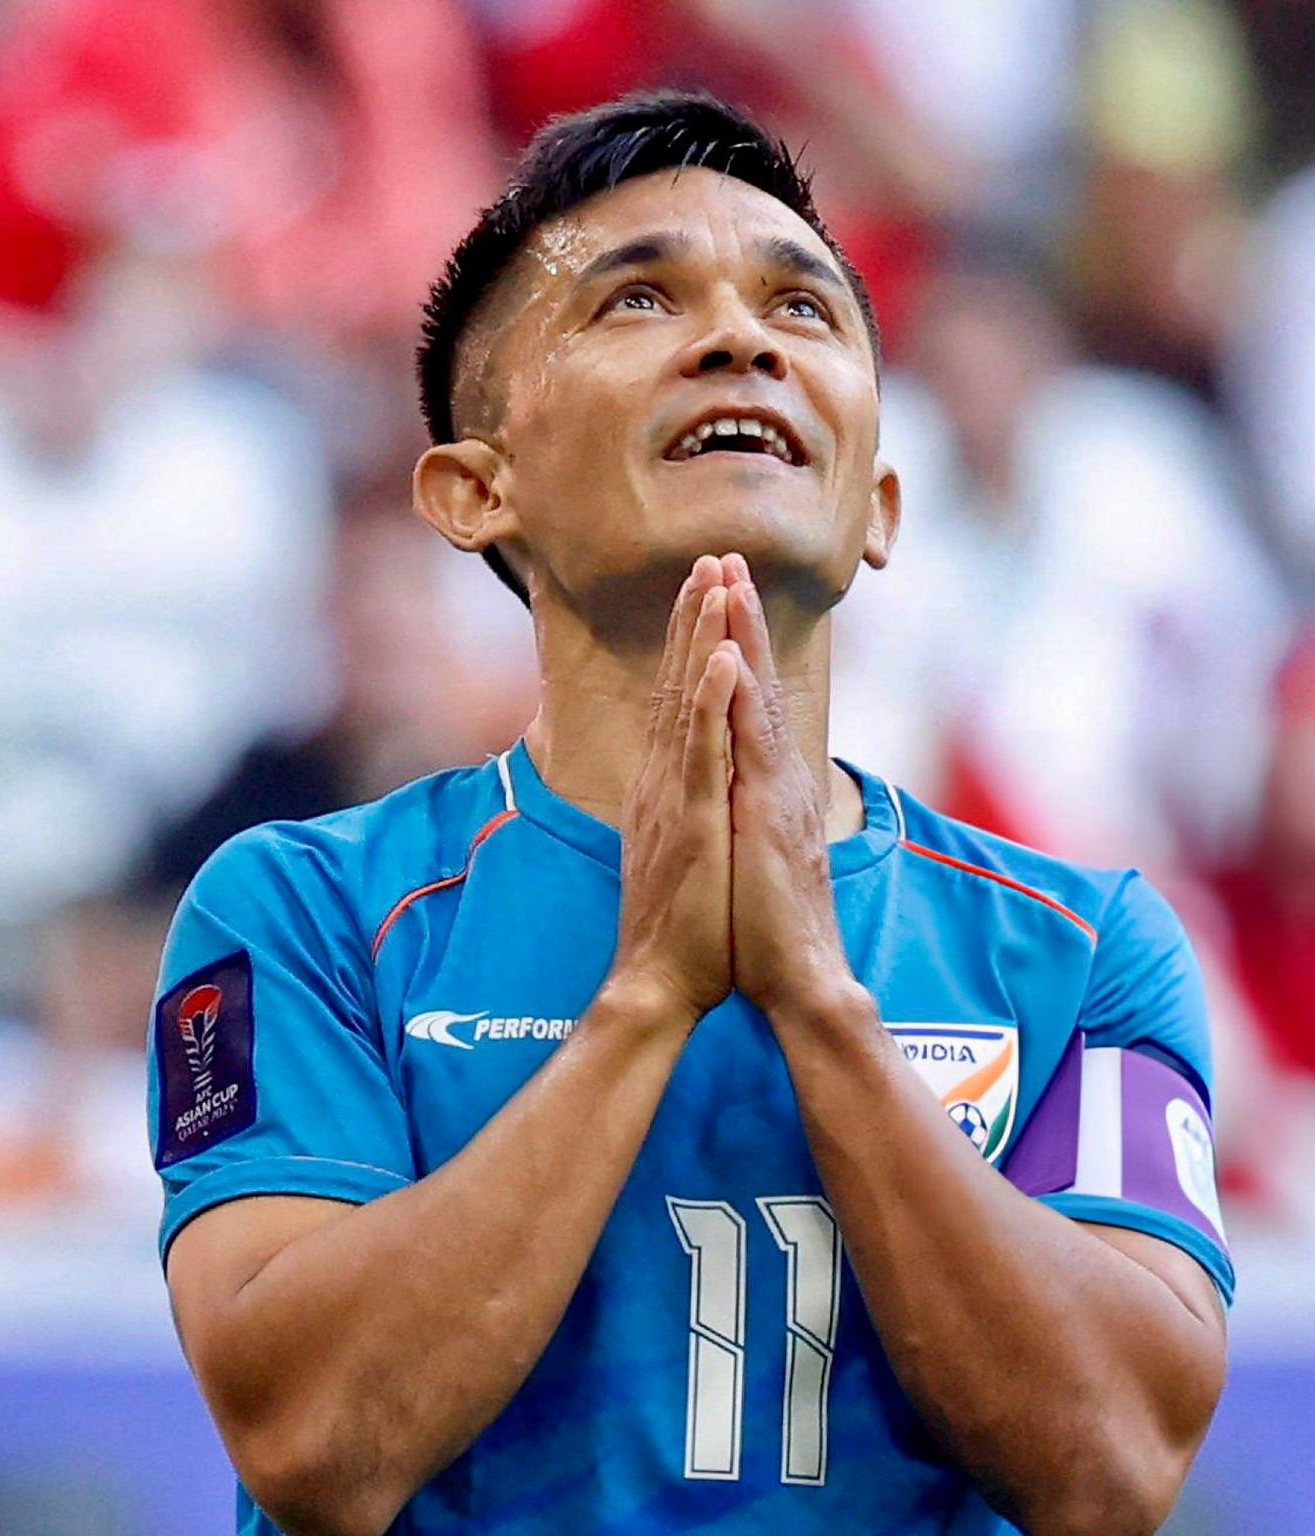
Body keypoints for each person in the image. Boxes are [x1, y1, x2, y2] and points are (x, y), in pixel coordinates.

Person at [147, 93, 1230, 1536]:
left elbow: (1115, 1471)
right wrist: (647, 998)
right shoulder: (299, 912)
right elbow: (313, 1443)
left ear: (880, 505)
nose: (742, 342)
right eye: (638, 299)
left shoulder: (1086, 951)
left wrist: (819, 1004)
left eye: (803, 308)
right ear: (476, 492)